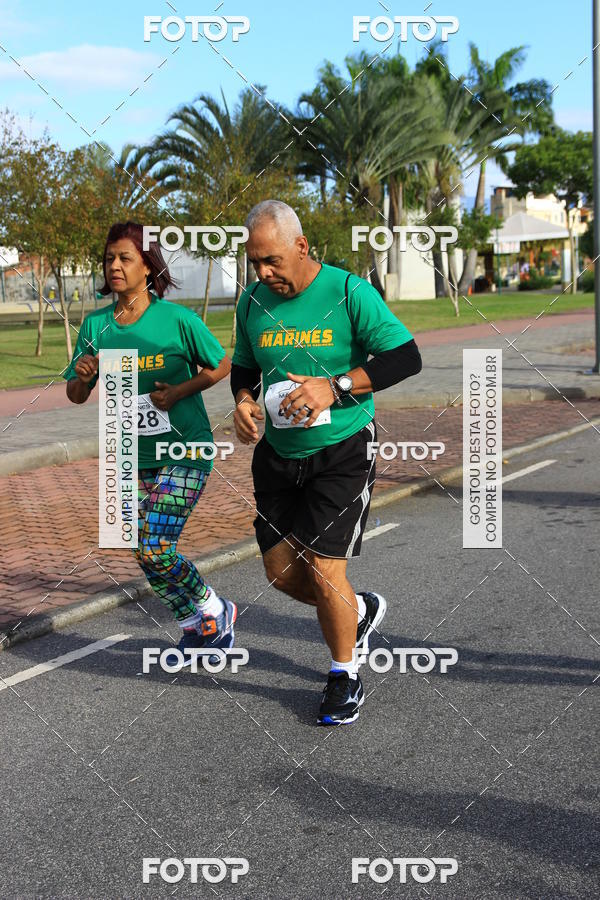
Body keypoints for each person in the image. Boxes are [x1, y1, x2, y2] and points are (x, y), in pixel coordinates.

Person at [231, 200, 422, 725]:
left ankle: (344, 675)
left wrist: (333, 387)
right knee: (280, 574)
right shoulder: (251, 302)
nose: (264, 273)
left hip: (342, 450)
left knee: (323, 565)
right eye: (255, 263)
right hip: (277, 454)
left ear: (301, 247)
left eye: (272, 261)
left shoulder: (347, 292)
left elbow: (406, 357)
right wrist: (244, 402)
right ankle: (358, 613)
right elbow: (244, 367)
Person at [63, 221, 235, 662]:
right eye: (109, 258)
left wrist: (178, 392)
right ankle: (194, 625)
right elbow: (76, 394)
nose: (114, 266)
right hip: (133, 454)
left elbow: (220, 365)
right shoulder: (97, 325)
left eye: (125, 258)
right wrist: (83, 378)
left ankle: (216, 607)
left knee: (153, 544)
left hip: (186, 449)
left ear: (147, 266)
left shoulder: (177, 320)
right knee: (140, 547)